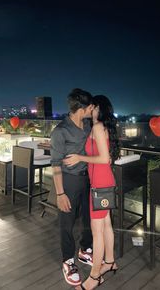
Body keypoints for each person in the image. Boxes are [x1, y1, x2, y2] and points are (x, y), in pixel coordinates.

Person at [64, 95, 120, 290]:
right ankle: (110, 261)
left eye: (92, 107)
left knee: (97, 233)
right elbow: (107, 157)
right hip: (104, 182)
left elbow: (104, 158)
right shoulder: (101, 127)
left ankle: (95, 276)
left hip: (101, 184)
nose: (90, 110)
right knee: (106, 225)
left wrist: (80, 157)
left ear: (97, 107)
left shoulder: (97, 127)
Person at [50, 88, 94, 287]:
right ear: (82, 108)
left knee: (88, 217)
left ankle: (85, 250)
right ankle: (68, 261)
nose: (92, 109)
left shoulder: (87, 125)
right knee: (66, 222)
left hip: (87, 178)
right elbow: (56, 164)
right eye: (90, 106)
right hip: (68, 180)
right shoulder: (60, 130)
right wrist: (60, 193)